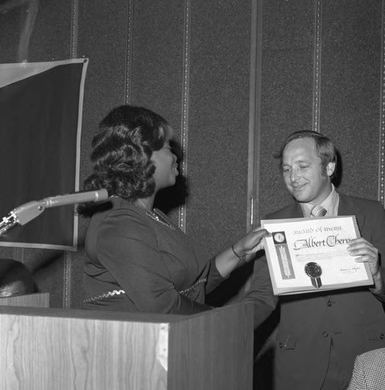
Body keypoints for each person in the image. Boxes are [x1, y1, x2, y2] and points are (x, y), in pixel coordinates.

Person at [246, 130, 385, 390]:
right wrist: (226, 328)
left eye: (302, 166)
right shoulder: (275, 225)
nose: (293, 177)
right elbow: (262, 297)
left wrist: (377, 272)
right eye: (287, 169)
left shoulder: (369, 213)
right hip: (302, 368)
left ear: (330, 166)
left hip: (366, 362)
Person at [80, 105, 267, 313]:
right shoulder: (118, 222)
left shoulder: (152, 215)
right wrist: (227, 320)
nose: (175, 156)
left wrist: (239, 251)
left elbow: (194, 287)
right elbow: (164, 306)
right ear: (143, 154)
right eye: (168, 147)